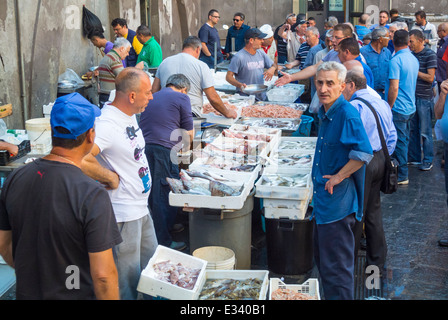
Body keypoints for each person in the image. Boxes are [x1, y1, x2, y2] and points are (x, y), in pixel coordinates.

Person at [0, 93, 122, 300]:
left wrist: (35, 273)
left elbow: (4, 244)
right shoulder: (91, 194)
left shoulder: (16, 178)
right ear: (91, 136)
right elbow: (103, 276)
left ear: (52, 132)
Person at [81, 68, 158, 300]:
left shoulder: (129, 115)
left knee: (151, 271)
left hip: (140, 208)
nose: (152, 97)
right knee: (127, 282)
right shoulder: (106, 125)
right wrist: (109, 176)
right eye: (148, 93)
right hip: (123, 215)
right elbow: (81, 158)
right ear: (131, 96)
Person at [312, 61, 373, 300]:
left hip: (337, 207)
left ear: (342, 86)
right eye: (320, 83)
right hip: (324, 203)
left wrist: (339, 176)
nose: (323, 88)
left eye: (330, 83)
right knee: (326, 266)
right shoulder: (325, 110)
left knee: (337, 272)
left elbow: (363, 152)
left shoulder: (346, 113)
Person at [343, 70, 397, 276]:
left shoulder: (354, 107)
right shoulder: (382, 103)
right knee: (373, 212)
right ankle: (376, 264)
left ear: (351, 85)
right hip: (381, 160)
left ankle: (348, 263)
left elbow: (349, 141)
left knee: (356, 213)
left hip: (362, 163)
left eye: (342, 86)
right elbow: (392, 136)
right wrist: (383, 157)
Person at [140, 74, 193, 251]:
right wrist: (186, 150)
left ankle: (168, 226)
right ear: (184, 89)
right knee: (163, 193)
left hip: (143, 147)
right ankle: (163, 241)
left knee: (155, 191)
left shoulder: (153, 95)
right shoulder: (182, 97)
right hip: (163, 149)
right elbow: (189, 134)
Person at [152, 36, 237, 119]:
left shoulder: (164, 62)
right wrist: (227, 112)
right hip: (190, 114)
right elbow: (212, 97)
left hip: (165, 113)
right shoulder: (201, 66)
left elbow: (154, 92)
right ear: (198, 49)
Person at [385, 30, 419, 185]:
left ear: (393, 41)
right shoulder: (413, 59)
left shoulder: (396, 61)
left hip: (399, 107)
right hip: (410, 106)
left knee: (399, 142)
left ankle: (402, 175)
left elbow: (394, 88)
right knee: (404, 139)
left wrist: (388, 106)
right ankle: (403, 171)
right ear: (407, 41)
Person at [408, 29, 438, 171]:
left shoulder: (430, 55)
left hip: (424, 99)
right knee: (413, 130)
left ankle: (427, 159)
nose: (409, 44)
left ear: (420, 41)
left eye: (412, 41)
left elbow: (430, 78)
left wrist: (415, 71)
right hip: (412, 97)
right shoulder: (411, 55)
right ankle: (414, 158)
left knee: (425, 132)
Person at [226, 28, 276, 101]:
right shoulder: (239, 57)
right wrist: (239, 85)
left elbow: (274, 65)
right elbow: (228, 77)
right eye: (260, 39)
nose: (262, 41)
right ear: (251, 40)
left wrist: (272, 69)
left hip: (261, 97)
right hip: (245, 98)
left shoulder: (261, 53)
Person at [97, 37, 131, 108]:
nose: (128, 54)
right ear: (122, 49)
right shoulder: (114, 59)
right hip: (109, 97)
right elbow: (124, 77)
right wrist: (137, 69)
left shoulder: (108, 56)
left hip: (105, 95)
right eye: (127, 51)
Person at [360, 27, 392, 99]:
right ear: (380, 39)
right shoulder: (363, 52)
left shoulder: (387, 52)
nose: (389, 39)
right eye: (387, 37)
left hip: (384, 93)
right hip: (369, 93)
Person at [436, 23, 448, 92]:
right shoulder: (441, 41)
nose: (437, 33)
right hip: (440, 75)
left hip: (444, 76)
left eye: (438, 31)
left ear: (444, 31)